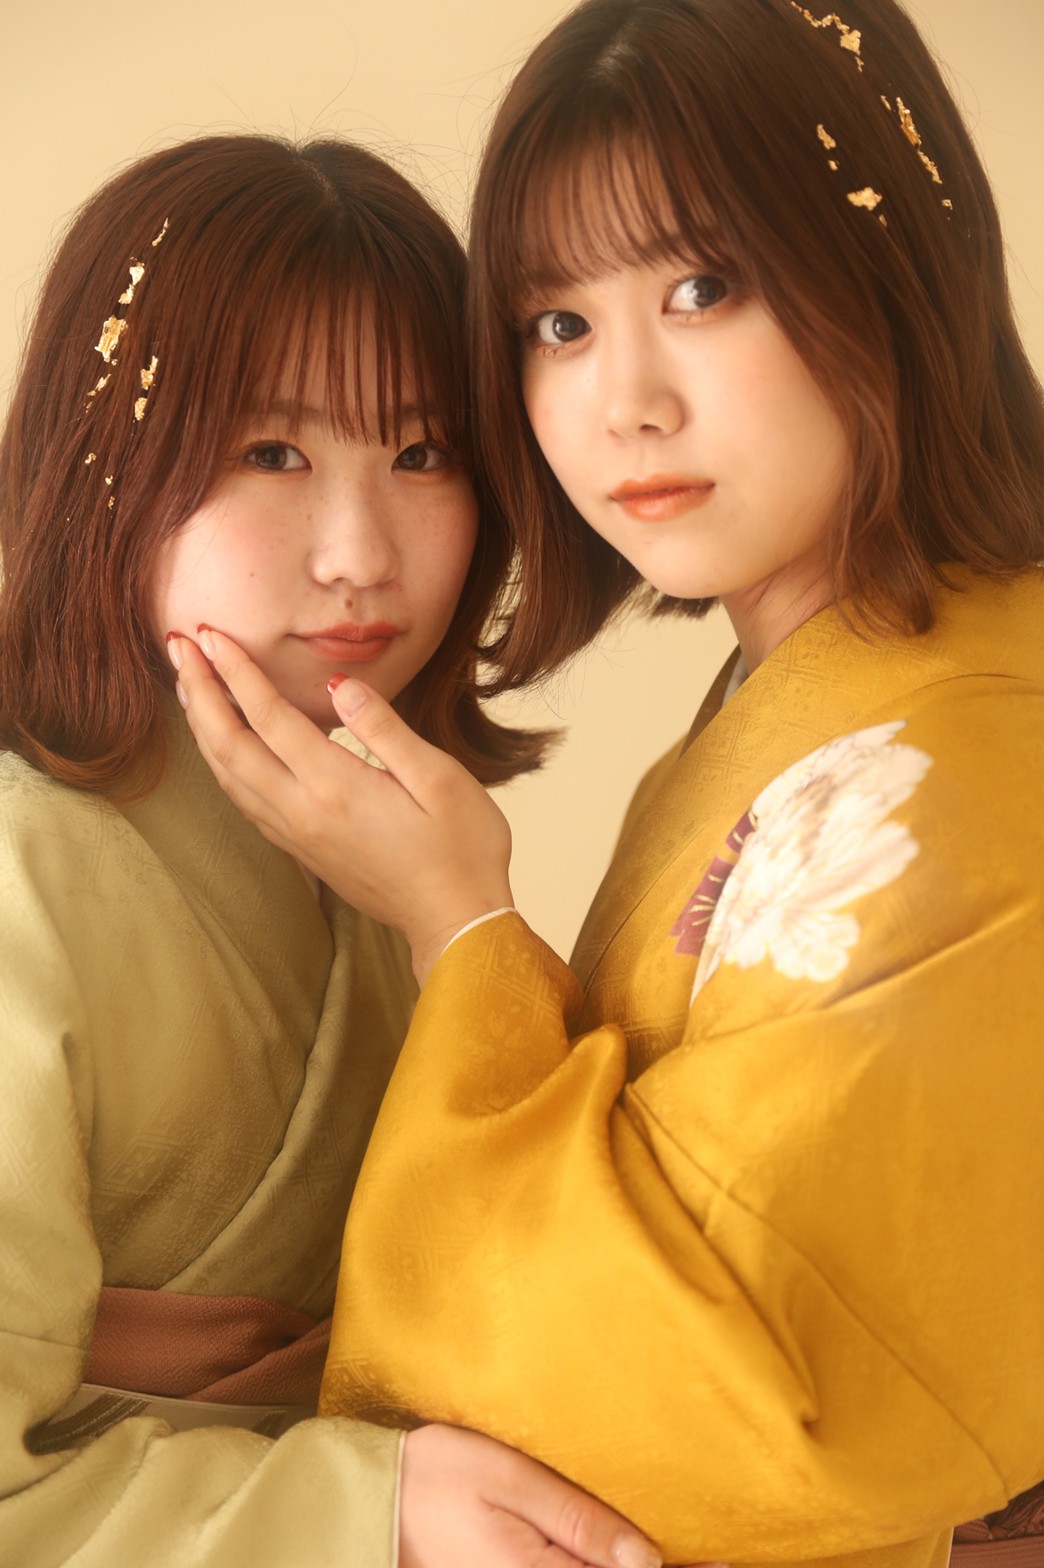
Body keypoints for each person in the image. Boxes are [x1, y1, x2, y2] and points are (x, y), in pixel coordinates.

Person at [173, 2, 1044, 1565]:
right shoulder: (812, 694)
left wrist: (458, 927)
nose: (623, 399)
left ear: (894, 266)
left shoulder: (954, 767)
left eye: (704, 288)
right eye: (558, 323)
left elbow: (723, 1403)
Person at [0, 131, 676, 1568]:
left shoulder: (365, 838)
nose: (362, 553)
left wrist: (456, 918)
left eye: (422, 454)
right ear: (103, 460)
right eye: (272, 453)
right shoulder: (21, 871)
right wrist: (367, 1510)